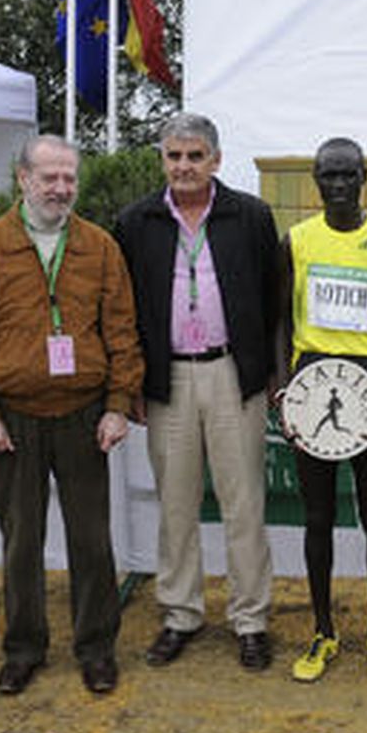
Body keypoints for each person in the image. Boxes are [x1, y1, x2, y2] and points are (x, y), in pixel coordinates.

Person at [0, 135, 144, 696]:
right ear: (23, 179)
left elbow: (123, 333)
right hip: (12, 419)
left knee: (91, 540)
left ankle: (96, 648)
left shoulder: (100, 247)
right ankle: (24, 648)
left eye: (69, 179)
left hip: (84, 415)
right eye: (49, 178)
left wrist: (117, 405)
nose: (61, 189)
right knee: (21, 540)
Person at [114, 113, 280, 672]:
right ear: (162, 160)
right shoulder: (136, 221)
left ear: (216, 160)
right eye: (174, 157)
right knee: (176, 503)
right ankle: (180, 614)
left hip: (233, 373)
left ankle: (251, 619)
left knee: (244, 503)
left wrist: (269, 371)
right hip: (169, 380)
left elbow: (272, 296)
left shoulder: (250, 216)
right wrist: (133, 380)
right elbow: (125, 309)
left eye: (195, 156)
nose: (184, 167)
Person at [275, 137, 367, 683]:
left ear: (364, 177)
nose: (337, 186)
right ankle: (323, 630)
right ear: (315, 179)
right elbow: (280, 319)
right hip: (312, 385)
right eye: (327, 176)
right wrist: (283, 387)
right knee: (317, 516)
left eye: (346, 175)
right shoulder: (297, 240)